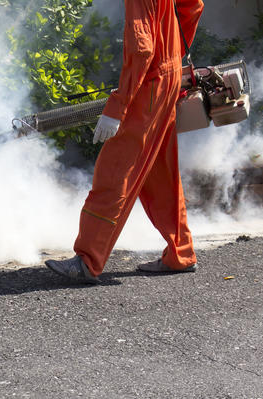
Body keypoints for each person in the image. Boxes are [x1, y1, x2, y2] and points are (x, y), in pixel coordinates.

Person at [46, 0, 205, 283]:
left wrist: (118, 106)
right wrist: (175, 56)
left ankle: (88, 260)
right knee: (160, 172)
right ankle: (181, 252)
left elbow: (142, 48)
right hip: (167, 77)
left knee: (115, 169)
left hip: (151, 83)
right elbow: (194, 6)